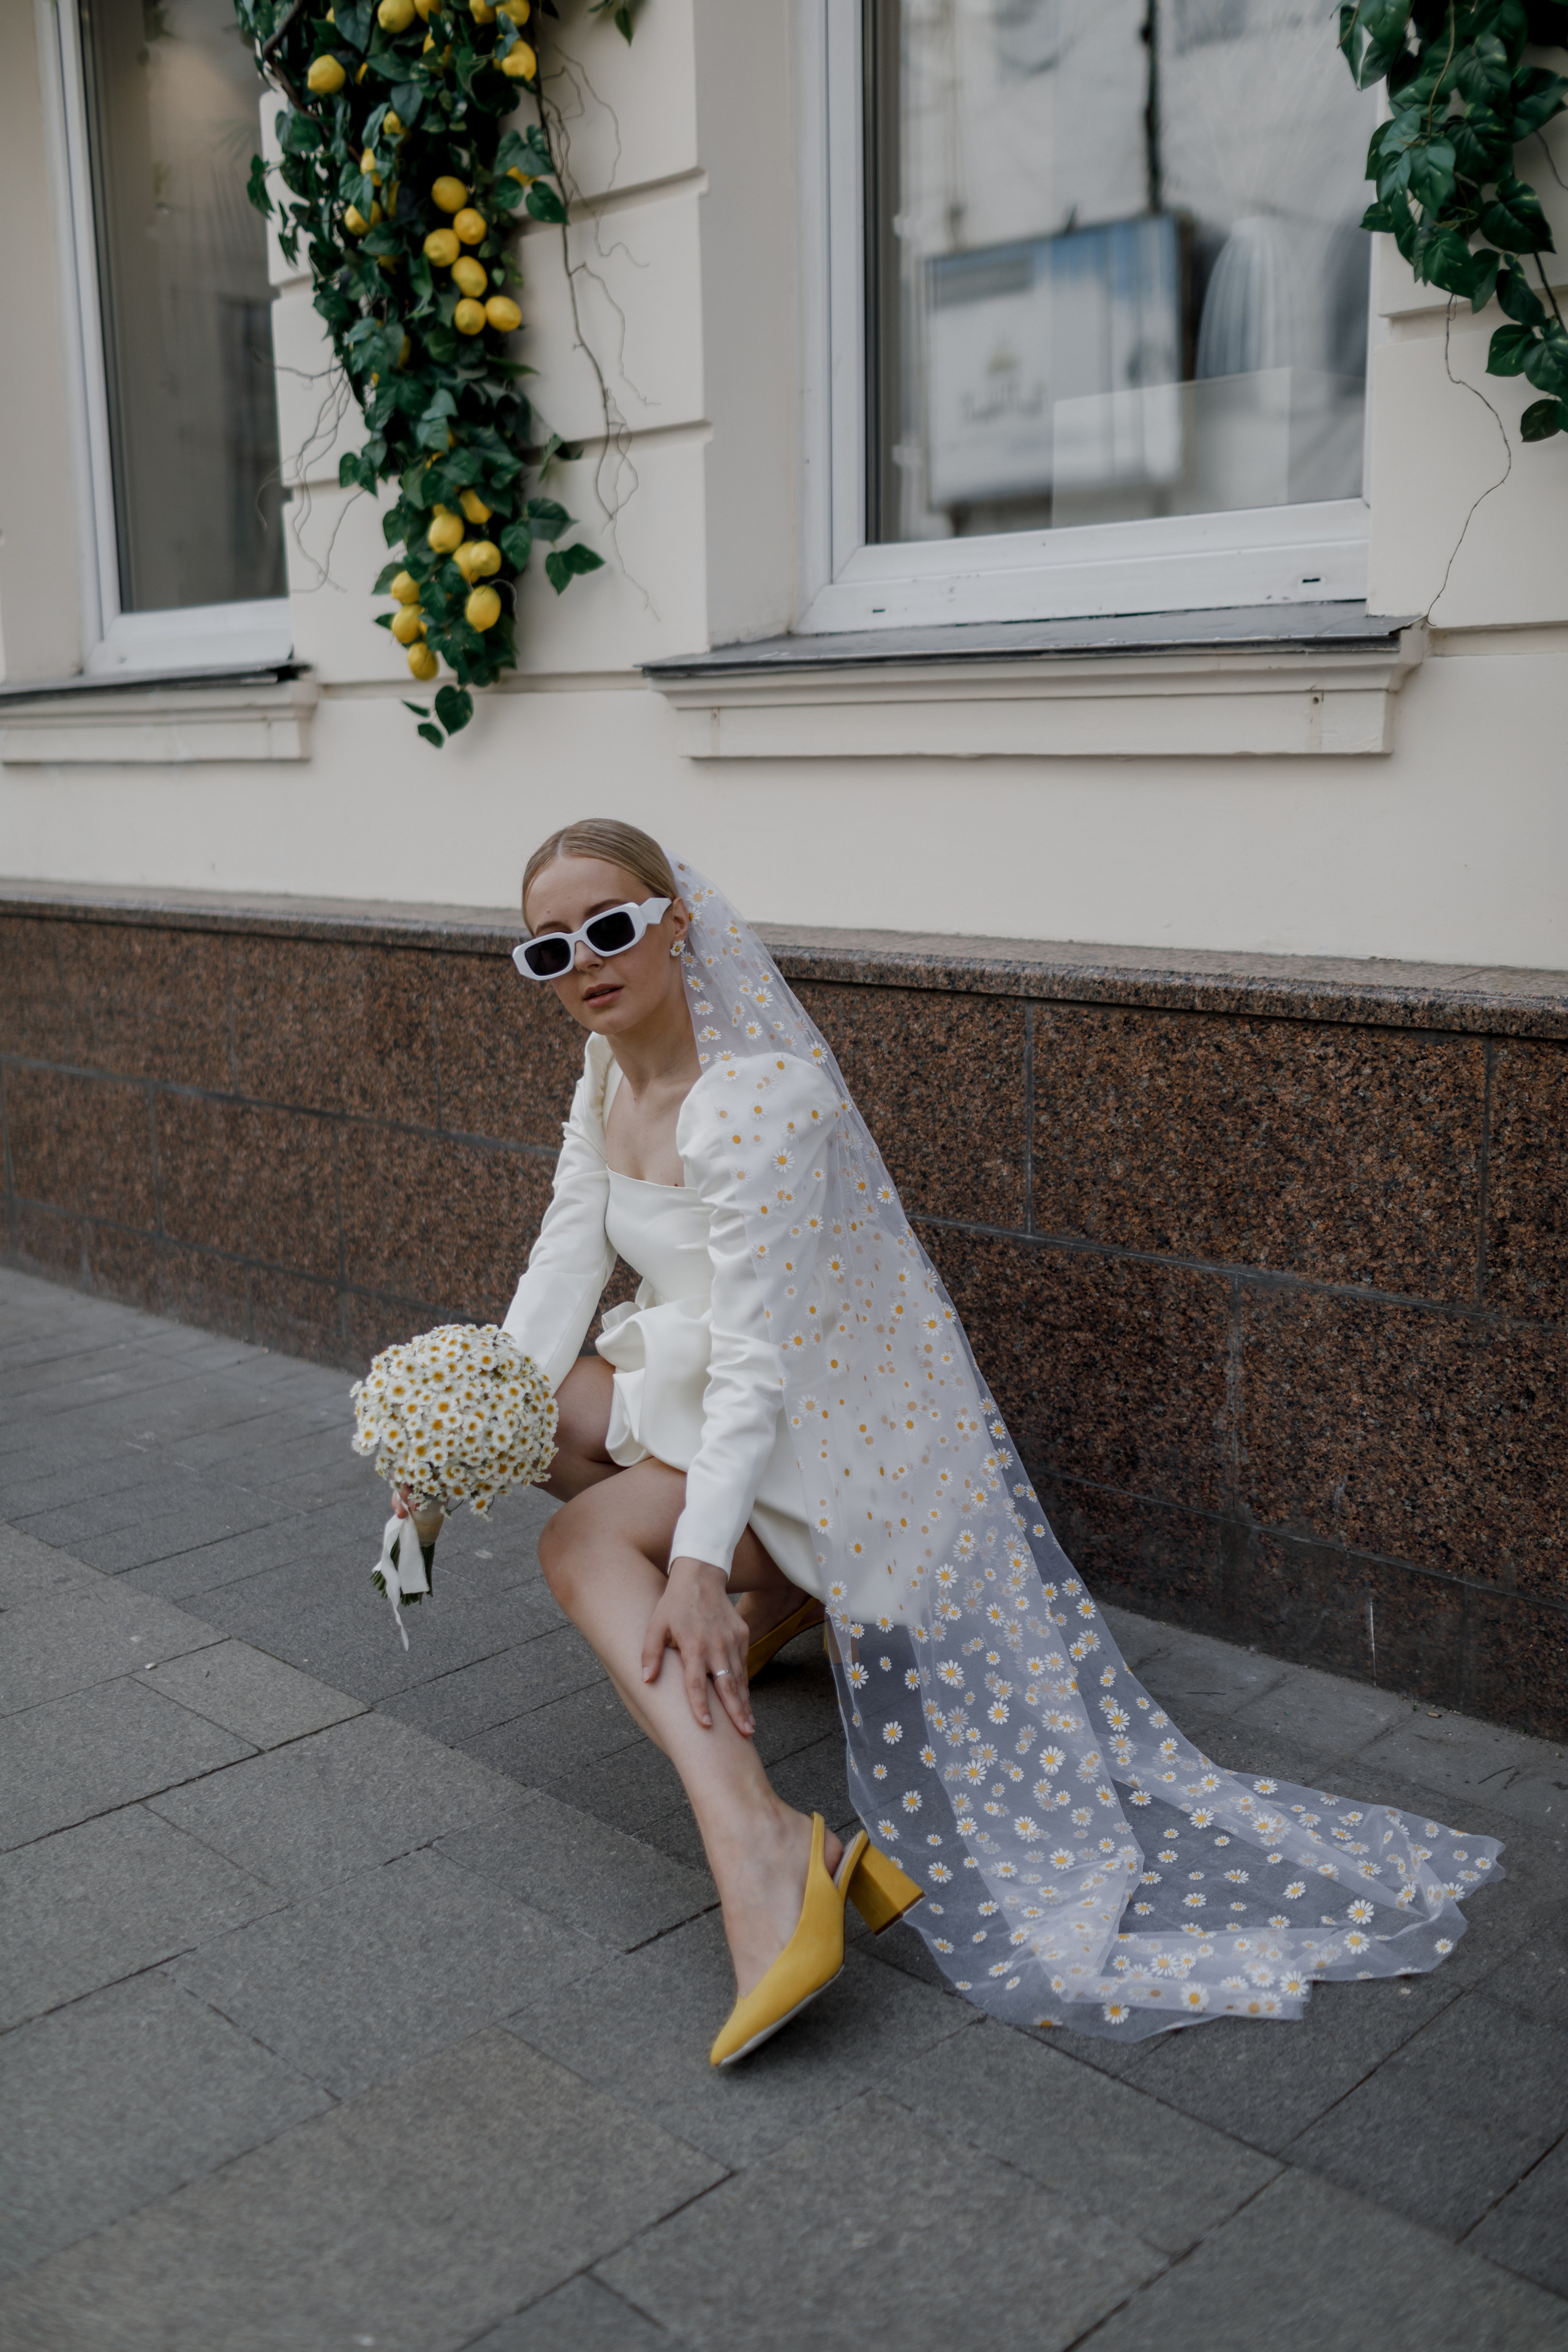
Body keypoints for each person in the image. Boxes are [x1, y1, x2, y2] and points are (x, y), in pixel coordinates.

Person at [485, 818, 1502, 2065]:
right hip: (705, 1396)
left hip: (826, 1429)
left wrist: (689, 1562)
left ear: (675, 922)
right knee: (531, 1418)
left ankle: (757, 1840)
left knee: (586, 1547)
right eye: (552, 950)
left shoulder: (757, 1097)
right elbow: (560, 1262)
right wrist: (454, 1439)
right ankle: (772, 1616)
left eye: (610, 927)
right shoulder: (603, 1079)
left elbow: (758, 1356)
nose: (585, 962)